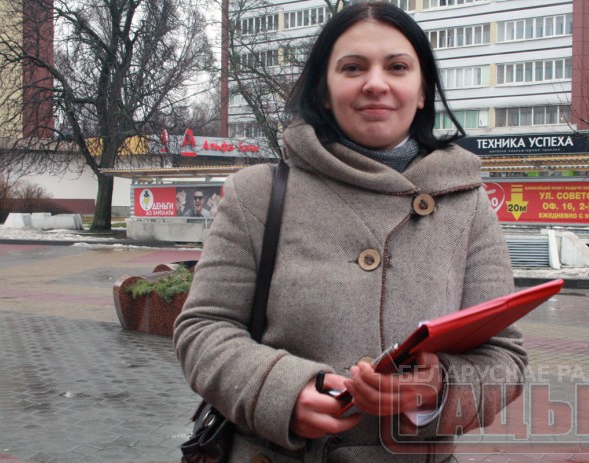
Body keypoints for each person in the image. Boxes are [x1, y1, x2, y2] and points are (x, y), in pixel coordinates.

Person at [174, 3, 527, 461]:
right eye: (353, 67)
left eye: (397, 67)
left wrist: (438, 390)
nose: (375, 83)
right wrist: (280, 392)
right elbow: (203, 328)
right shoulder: (256, 193)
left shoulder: (468, 203)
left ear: (422, 91)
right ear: (324, 91)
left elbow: (504, 358)